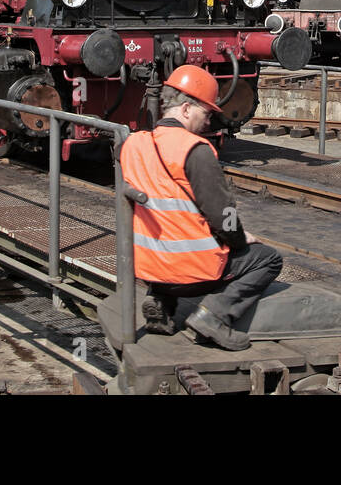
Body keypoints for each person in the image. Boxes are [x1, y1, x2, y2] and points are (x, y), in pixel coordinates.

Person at [119, 65, 281, 351]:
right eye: (205, 113)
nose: (207, 122)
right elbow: (223, 216)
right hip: (191, 270)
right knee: (268, 259)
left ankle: (162, 302)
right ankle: (213, 317)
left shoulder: (133, 145)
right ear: (185, 109)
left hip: (149, 268)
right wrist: (242, 240)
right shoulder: (195, 149)